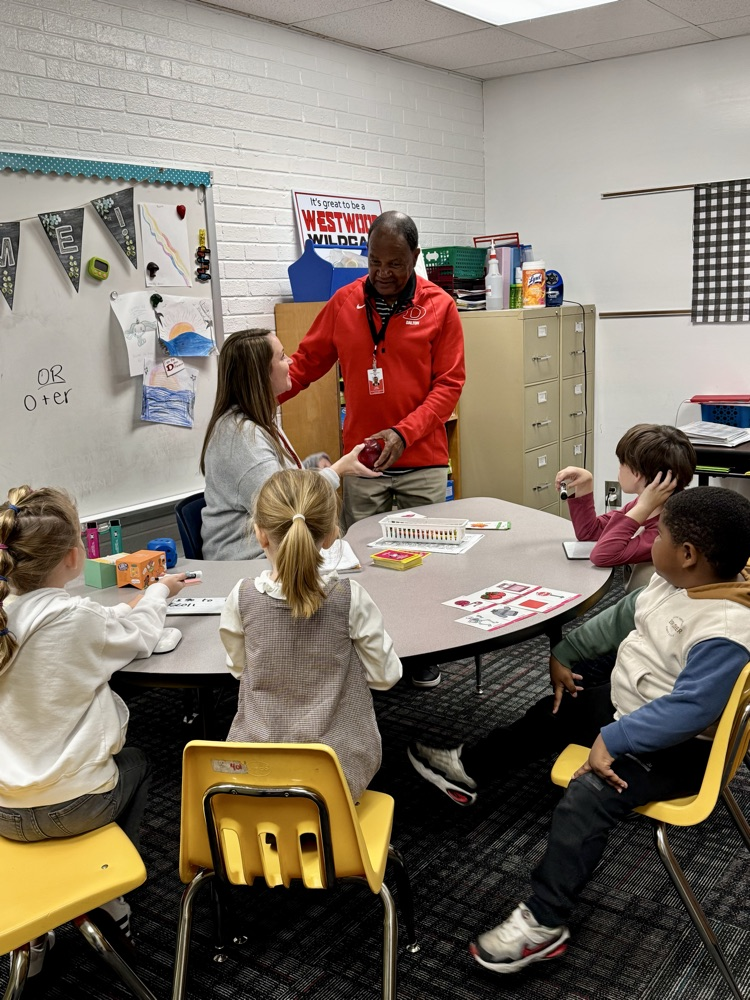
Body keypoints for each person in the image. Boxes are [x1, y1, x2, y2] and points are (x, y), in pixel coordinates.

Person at [408, 486, 750, 974]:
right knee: (565, 705)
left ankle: (544, 924)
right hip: (635, 708)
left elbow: (691, 710)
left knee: (587, 798)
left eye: (660, 534)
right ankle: (467, 768)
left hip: (684, 750)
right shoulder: (676, 583)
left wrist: (617, 738)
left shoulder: (725, 627)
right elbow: (622, 618)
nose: (651, 540)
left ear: (688, 555)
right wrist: (564, 654)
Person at [0, 486, 187, 974]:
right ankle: (111, 898)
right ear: (73, 556)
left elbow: (89, 625)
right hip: (75, 808)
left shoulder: (8, 617)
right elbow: (142, 637)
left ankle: (35, 936)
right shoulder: (76, 617)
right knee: (141, 764)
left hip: (4, 813)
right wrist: (159, 593)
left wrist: (121, 611)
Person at [219, 469, 402, 800]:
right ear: (331, 535)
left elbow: (237, 670)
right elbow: (386, 677)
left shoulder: (241, 597)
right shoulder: (350, 597)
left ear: (260, 534)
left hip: (256, 776)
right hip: (336, 776)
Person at [279, 211, 466, 530]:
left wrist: (401, 435)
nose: (382, 273)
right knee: (363, 557)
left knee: (431, 562)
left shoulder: (440, 306)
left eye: (394, 264)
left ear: (415, 256)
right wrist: (254, 400)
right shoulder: (343, 303)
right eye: (375, 261)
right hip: (361, 462)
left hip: (422, 463)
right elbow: (304, 364)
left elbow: (448, 386)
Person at [200, 328, 379, 561]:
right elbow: (286, 506)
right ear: (261, 373)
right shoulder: (242, 436)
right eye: (282, 356)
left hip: (274, 552)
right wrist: (337, 471)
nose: (291, 361)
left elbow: (278, 478)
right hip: (249, 562)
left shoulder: (256, 420)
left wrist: (312, 466)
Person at [556, 423, 696, 591]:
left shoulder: (667, 529)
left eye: (622, 463)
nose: (619, 468)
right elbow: (590, 533)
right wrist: (585, 486)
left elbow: (602, 555)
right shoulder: (646, 506)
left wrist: (642, 506)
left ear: (636, 474)